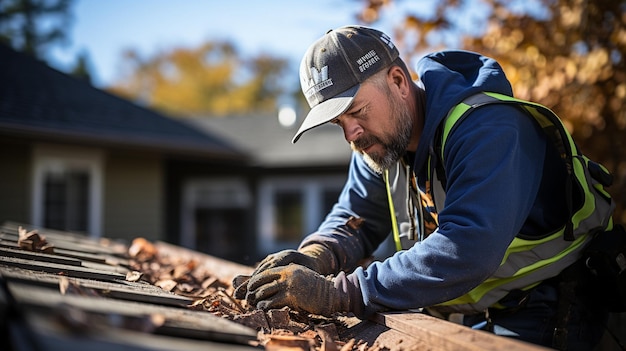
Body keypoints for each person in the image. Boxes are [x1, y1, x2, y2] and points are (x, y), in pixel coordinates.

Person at [233, 25, 616, 350]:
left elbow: (465, 250)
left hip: (553, 304)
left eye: (356, 111)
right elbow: (357, 217)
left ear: (398, 82)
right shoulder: (380, 146)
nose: (351, 133)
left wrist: (337, 294)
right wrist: (317, 256)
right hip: (471, 310)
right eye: (338, 122)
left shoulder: (489, 128)